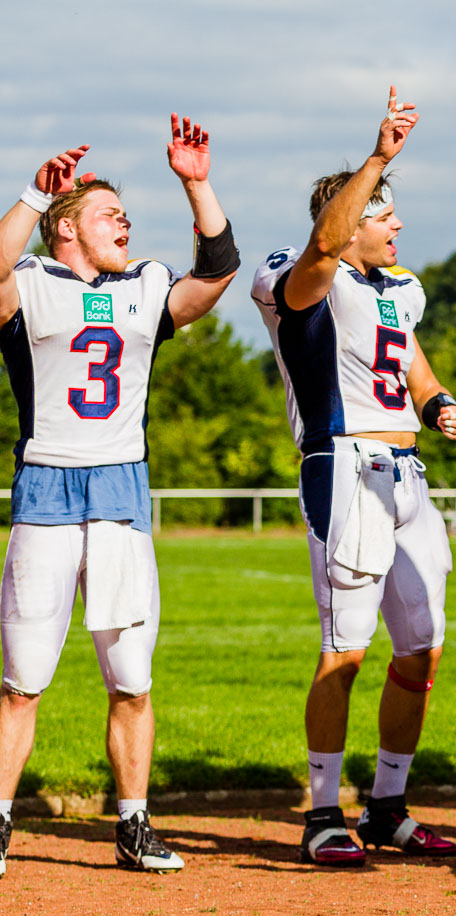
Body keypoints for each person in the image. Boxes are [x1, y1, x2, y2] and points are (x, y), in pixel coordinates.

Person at [0, 117, 239, 875]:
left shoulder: (144, 287)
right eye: (108, 214)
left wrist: (196, 183)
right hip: (45, 485)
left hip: (121, 493)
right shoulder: (33, 282)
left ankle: (134, 824)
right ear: (66, 231)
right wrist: (34, 197)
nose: (124, 223)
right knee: (22, 680)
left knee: (131, 678)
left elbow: (218, 271)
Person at [250, 87, 456, 867]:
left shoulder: (398, 290)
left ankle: (388, 802)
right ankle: (319, 812)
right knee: (344, 648)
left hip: (407, 473)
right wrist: (376, 156)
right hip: (343, 466)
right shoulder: (308, 273)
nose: (397, 224)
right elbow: (317, 257)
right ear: (346, 223)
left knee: (423, 647)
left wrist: (439, 401)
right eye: (381, 212)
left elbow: (409, 361)